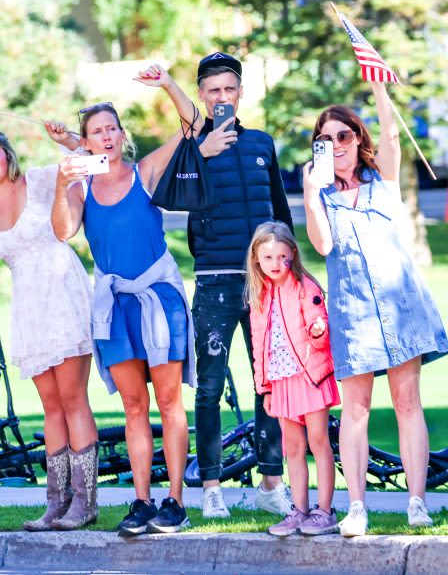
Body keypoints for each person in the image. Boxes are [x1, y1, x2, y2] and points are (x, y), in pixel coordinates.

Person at [52, 65, 199, 536]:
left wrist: (168, 84)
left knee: (170, 402)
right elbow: (63, 230)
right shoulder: (80, 188)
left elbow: (192, 126)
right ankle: (141, 500)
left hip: (160, 300)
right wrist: (61, 182)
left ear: (121, 134)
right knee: (134, 407)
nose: (107, 136)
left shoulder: (145, 172)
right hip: (115, 308)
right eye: (97, 132)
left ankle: (175, 501)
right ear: (86, 142)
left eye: (112, 128)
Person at [304, 82, 448, 536]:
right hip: (354, 313)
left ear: (357, 139)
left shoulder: (381, 179)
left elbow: (390, 135)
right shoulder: (322, 196)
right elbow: (323, 244)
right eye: (324, 140)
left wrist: (377, 86)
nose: (336, 145)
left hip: (399, 306)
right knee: (356, 411)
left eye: (343, 136)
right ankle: (358, 507)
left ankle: (417, 502)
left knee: (408, 404)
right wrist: (310, 192)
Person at [0, 127, 97, 531]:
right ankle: (56, 501)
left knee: (72, 398)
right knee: (51, 406)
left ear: (7, 154)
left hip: (62, 287)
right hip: (29, 304)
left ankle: (85, 503)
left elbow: (85, 161)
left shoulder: (40, 179)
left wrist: (68, 140)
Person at [189, 52, 293, 518]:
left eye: (229, 89)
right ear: (202, 96)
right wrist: (198, 150)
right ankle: (211, 486)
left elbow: (280, 212)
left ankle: (272, 484)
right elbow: (171, 194)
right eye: (213, 90)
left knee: (269, 383)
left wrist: (293, 272)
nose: (222, 97)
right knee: (209, 387)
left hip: (265, 285)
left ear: (240, 93)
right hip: (215, 283)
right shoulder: (191, 150)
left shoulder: (262, 144)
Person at [246, 222, 339, 537]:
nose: (275, 264)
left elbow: (319, 320)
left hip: (311, 377)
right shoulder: (260, 295)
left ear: (293, 255)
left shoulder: (304, 286)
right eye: (268, 257)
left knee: (318, 441)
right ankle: (299, 510)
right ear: (256, 259)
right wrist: (265, 388)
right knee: (294, 448)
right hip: (282, 383)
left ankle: (324, 511)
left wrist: (318, 330)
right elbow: (259, 346)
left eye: (281, 257)